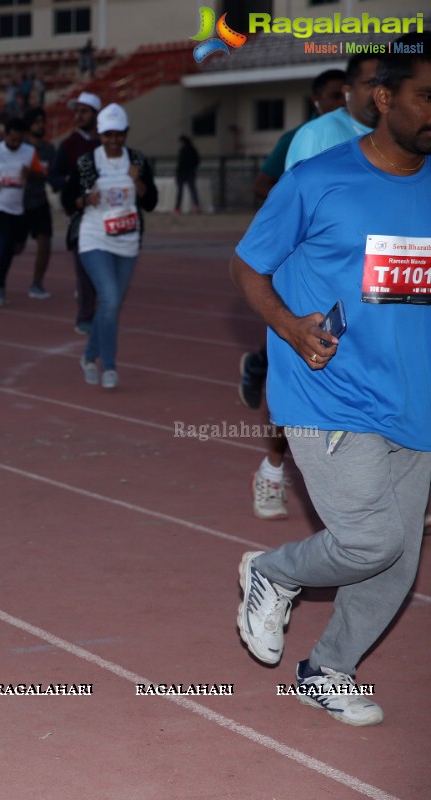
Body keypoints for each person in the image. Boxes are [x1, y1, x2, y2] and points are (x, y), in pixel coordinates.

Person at [231, 33, 430, 727]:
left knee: (398, 563)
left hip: (415, 395)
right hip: (328, 390)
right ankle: (273, 572)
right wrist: (288, 326)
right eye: (426, 97)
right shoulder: (318, 179)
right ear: (384, 99)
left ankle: (328, 668)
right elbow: (249, 266)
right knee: (370, 540)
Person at [245, 66, 357, 521]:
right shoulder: (307, 138)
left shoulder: (408, 145)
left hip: (374, 293)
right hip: (311, 289)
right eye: (334, 94)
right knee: (300, 384)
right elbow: (271, 194)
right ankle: (274, 466)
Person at [63, 103, 157, 390]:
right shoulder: (87, 162)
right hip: (94, 238)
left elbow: (150, 202)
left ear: (126, 134)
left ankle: (89, 357)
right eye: (108, 135)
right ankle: (110, 366)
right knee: (111, 300)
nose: (114, 140)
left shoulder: (138, 160)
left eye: (119, 135)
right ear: (100, 134)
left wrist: (137, 181)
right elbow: (68, 201)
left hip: (127, 240)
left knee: (110, 305)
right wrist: (83, 201)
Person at [0, 116, 44, 306]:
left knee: (17, 246)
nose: (16, 143)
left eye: (19, 140)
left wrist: (30, 174)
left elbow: (40, 174)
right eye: (12, 139)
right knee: (6, 241)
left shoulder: (29, 152)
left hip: (17, 207)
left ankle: (1, 255)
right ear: (5, 134)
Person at [251, 68, 346, 202]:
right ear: (316, 100)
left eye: (347, 96)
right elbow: (261, 185)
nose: (343, 102)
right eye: (336, 96)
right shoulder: (297, 137)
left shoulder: (363, 133)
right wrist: (302, 208)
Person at [51, 91, 101, 334]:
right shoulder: (68, 145)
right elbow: (54, 177)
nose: (79, 116)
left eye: (84, 111)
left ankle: (92, 301)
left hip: (106, 211)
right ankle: (85, 316)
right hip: (79, 214)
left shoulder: (106, 142)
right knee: (85, 266)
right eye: (77, 111)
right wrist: (70, 182)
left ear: (95, 114)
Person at [285, 53, 380, 170]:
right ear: (347, 91)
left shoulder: (402, 134)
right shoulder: (317, 133)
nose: (380, 91)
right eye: (371, 83)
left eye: (388, 83)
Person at [23, 107, 56, 299]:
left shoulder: (49, 149)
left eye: (42, 121)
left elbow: (53, 174)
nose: (40, 125)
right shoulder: (21, 147)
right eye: (36, 122)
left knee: (45, 242)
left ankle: (37, 283)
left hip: (40, 201)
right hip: (19, 203)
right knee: (16, 246)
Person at [173, 135, 200, 214]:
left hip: (182, 173)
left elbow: (180, 162)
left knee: (180, 192)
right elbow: (197, 160)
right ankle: (197, 206)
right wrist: (193, 167)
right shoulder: (193, 150)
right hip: (191, 172)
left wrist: (178, 172)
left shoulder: (182, 150)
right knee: (193, 190)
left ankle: (177, 208)